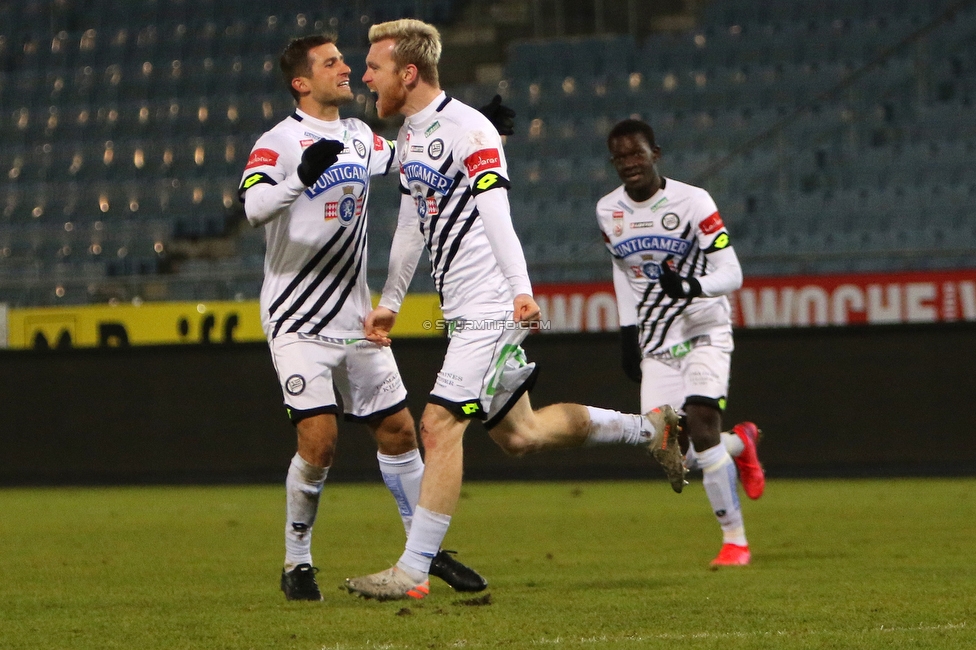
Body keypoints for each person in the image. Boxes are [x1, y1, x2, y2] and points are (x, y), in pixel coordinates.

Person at [343, 19, 684, 602]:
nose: (365, 76)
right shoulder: (409, 137)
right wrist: (392, 303)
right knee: (521, 435)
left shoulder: (471, 129)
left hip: (492, 304)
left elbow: (496, 212)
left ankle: (413, 569)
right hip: (465, 307)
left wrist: (521, 291)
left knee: (438, 425)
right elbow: (409, 224)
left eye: (374, 66)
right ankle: (649, 429)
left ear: (407, 71)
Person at [239, 33, 513, 601]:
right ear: (301, 82)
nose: (347, 70)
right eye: (332, 63)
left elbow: (414, 159)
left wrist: (474, 127)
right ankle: (297, 563)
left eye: (347, 61)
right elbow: (253, 207)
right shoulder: (278, 142)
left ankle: (424, 555)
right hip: (297, 316)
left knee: (398, 430)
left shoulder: (363, 137)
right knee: (320, 443)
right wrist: (298, 178)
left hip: (356, 313)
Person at [599, 118, 766, 566]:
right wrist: (626, 331)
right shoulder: (607, 211)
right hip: (656, 341)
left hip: (703, 330)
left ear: (656, 153)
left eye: (637, 154)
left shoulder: (694, 202)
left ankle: (735, 542)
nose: (629, 164)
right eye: (620, 158)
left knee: (702, 423)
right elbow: (622, 268)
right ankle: (741, 444)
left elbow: (733, 273)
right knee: (674, 451)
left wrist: (690, 287)